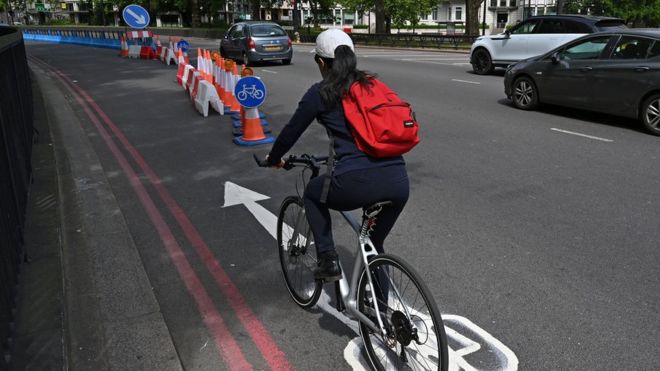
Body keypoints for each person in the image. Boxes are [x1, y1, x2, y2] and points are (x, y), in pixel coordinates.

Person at [264, 29, 409, 282]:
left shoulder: (321, 92)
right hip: (398, 180)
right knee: (373, 246)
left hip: (356, 182)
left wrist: (274, 158)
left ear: (321, 62)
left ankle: (328, 259)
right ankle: (383, 315)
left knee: (312, 193)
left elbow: (290, 132)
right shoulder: (372, 85)